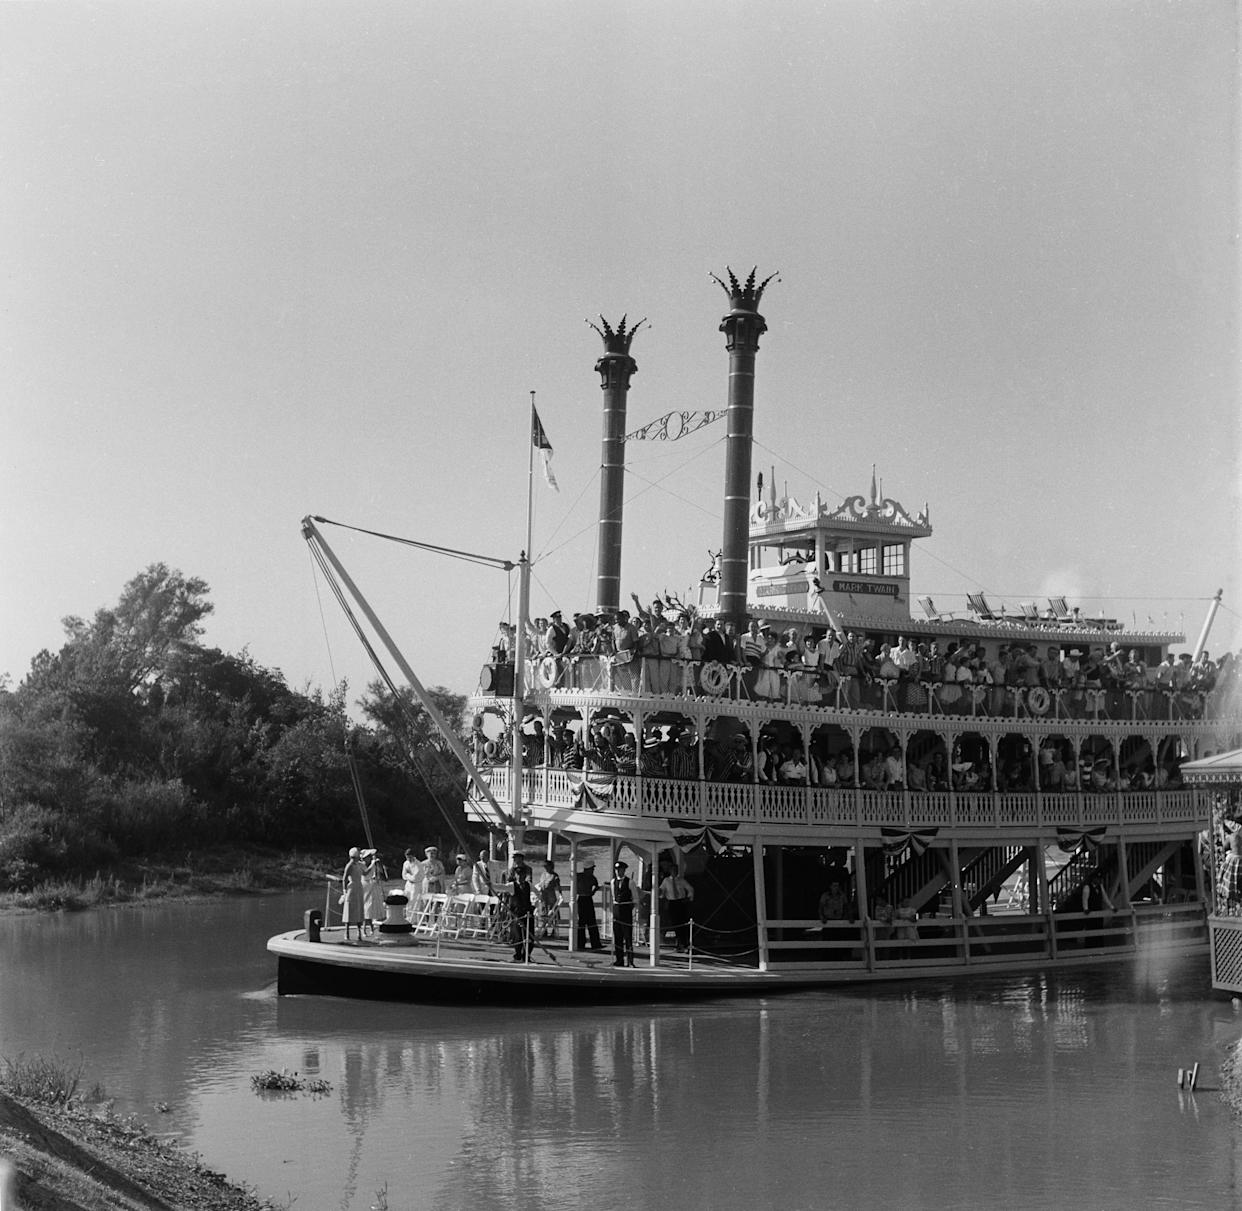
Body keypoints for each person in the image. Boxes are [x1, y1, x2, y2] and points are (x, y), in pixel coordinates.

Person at [659, 865, 695, 952]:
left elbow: (690, 889)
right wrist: (660, 894)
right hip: (672, 903)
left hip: (681, 903)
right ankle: (679, 943)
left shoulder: (681, 880)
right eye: (673, 870)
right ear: (670, 871)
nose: (675, 872)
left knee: (683, 922)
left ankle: (685, 943)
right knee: (675, 923)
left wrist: (689, 898)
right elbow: (661, 890)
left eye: (676, 870)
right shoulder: (666, 880)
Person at [611, 859, 636, 967]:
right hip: (617, 909)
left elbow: (635, 898)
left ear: (624, 870)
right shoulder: (613, 882)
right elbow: (613, 896)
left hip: (626, 909)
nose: (617, 871)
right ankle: (619, 960)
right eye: (616, 869)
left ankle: (630, 961)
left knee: (628, 937)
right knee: (618, 937)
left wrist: (631, 909)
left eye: (620, 869)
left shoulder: (630, 882)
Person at [575, 859, 604, 951]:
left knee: (591, 922)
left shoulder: (589, 877)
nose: (592, 871)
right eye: (591, 869)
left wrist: (593, 892)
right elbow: (596, 886)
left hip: (587, 898)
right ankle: (581, 943)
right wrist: (593, 891)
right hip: (582, 899)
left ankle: (594, 943)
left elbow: (596, 885)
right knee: (582, 922)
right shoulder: (580, 876)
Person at [509, 862, 536, 962]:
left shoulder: (529, 886)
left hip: (528, 914)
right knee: (518, 936)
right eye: (518, 875)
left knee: (530, 937)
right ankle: (517, 956)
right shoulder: (512, 885)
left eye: (522, 875)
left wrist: (534, 905)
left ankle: (526, 956)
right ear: (515, 875)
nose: (520, 877)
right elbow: (500, 887)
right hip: (517, 915)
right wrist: (490, 884)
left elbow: (537, 894)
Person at [341, 847, 366, 942]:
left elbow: (366, 873)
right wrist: (344, 891)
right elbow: (344, 878)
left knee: (359, 909)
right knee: (349, 909)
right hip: (352, 888)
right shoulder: (349, 865)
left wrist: (372, 864)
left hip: (359, 887)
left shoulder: (360, 865)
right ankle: (346, 931)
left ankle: (359, 931)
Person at [536, 860, 563, 938]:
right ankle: (544, 931)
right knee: (543, 914)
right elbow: (540, 884)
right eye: (545, 866)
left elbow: (558, 887)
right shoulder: (543, 874)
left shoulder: (555, 876)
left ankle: (554, 931)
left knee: (552, 914)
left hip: (551, 896)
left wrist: (560, 896)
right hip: (543, 897)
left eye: (547, 866)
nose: (546, 868)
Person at [361, 849, 385, 934]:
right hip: (365, 886)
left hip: (372, 885)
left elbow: (382, 874)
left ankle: (371, 928)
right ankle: (363, 928)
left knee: (370, 908)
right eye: (367, 857)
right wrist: (372, 863)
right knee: (366, 908)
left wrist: (377, 863)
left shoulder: (373, 863)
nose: (369, 858)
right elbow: (366, 873)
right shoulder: (361, 865)